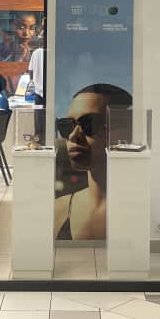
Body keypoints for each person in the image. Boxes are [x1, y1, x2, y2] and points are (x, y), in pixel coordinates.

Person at [53, 83, 131, 241]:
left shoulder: (136, 209)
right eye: (67, 126)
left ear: (123, 130)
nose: (73, 136)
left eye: (90, 124)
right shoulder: (58, 209)